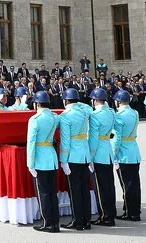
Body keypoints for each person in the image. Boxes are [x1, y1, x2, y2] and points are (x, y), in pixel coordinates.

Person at [58, 88, 93, 230]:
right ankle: (87, 219)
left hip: (72, 156)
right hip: (85, 154)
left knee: (75, 190)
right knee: (84, 189)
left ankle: (77, 220)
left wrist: (63, 160)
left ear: (66, 101)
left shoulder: (65, 116)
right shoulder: (84, 112)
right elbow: (89, 107)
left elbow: (65, 141)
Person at [27, 91, 60, 233]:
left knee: (44, 193)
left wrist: (30, 163)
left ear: (37, 103)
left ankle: (48, 223)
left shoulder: (35, 119)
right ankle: (55, 222)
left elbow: (31, 142)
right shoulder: (54, 117)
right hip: (51, 157)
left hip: (40, 158)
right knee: (52, 192)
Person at [110, 89, 142, 221]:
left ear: (118, 102)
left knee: (126, 185)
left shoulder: (119, 116)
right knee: (135, 183)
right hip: (134, 151)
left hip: (123, 153)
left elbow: (116, 138)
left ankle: (130, 212)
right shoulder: (135, 112)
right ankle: (135, 210)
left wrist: (114, 154)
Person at [88, 87, 116, 226]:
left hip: (98, 153)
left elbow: (93, 139)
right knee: (109, 185)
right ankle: (111, 213)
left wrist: (90, 156)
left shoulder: (95, 115)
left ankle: (105, 216)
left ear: (95, 100)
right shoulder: (111, 112)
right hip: (108, 151)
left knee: (100, 187)